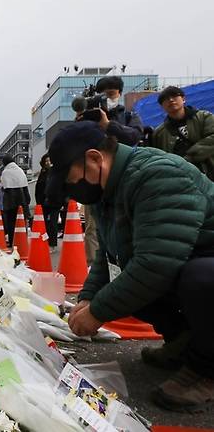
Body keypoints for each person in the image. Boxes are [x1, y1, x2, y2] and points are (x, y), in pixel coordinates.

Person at [46, 121, 214, 413]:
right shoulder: (107, 189)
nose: (73, 191)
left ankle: (206, 369)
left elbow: (156, 265)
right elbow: (109, 255)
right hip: (186, 261)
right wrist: (88, 297)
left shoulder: (158, 175)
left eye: (72, 182)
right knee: (124, 284)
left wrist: (98, 312)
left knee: (198, 279)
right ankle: (186, 344)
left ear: (95, 158)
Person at [76, 76, 143, 264]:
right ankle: (94, 267)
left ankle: (128, 264)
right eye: (103, 94)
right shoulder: (89, 117)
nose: (107, 98)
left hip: (123, 176)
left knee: (127, 220)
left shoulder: (129, 115)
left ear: (119, 94)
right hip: (95, 179)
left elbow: (134, 136)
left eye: (111, 94)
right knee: (93, 226)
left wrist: (108, 125)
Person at [152, 86, 214, 180]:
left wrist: (190, 157)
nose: (171, 100)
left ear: (183, 99)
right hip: (180, 179)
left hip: (208, 174)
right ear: (162, 106)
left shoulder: (204, 117)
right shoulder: (159, 132)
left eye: (174, 96)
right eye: (165, 99)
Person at [0, 155, 30, 246]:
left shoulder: (5, 172)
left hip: (10, 201)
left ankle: (12, 241)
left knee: (11, 223)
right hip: (22, 200)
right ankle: (22, 241)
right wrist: (27, 200)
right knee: (21, 221)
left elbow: (5, 187)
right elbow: (25, 187)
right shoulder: (20, 171)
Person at [35, 154, 59, 250]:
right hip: (43, 203)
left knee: (53, 224)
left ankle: (52, 244)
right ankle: (45, 241)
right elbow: (39, 189)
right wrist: (39, 202)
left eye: (49, 161)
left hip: (54, 202)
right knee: (44, 223)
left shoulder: (56, 172)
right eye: (46, 161)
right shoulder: (42, 173)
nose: (48, 163)